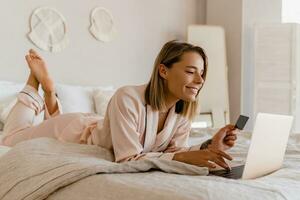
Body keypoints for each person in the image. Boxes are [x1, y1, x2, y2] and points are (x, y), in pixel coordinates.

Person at [1, 40, 238, 170]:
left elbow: (172, 154)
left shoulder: (181, 113)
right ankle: (37, 84)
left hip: (92, 124)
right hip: (71, 131)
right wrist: (183, 159)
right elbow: (128, 159)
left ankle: (50, 97)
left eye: (202, 74)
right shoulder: (128, 97)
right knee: (10, 139)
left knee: (34, 127)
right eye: (190, 72)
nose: (200, 80)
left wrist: (207, 146)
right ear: (163, 70)